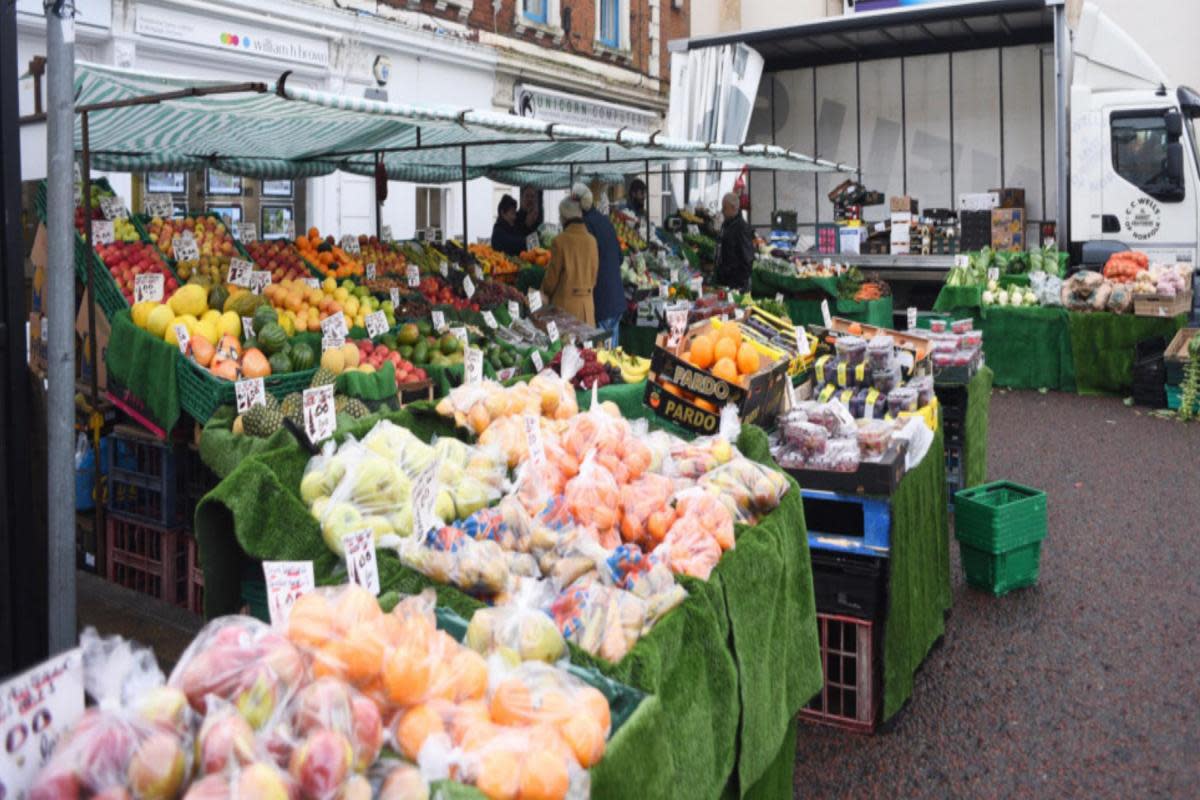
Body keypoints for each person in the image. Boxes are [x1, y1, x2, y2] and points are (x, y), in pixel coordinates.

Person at [574, 183, 624, 347]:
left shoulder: (585, 226)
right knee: (614, 356)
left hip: (600, 301)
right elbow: (620, 257)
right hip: (616, 299)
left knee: (603, 356)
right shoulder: (605, 221)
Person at [541, 196, 598, 325]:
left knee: (567, 344)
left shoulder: (559, 241)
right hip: (587, 309)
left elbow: (551, 279)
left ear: (563, 217)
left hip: (565, 309)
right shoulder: (592, 241)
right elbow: (594, 278)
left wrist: (543, 292)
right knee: (587, 345)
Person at [715, 192, 754, 292]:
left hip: (736, 283)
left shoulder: (742, 228)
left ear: (733, 208)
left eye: (724, 208)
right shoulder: (726, 224)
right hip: (725, 279)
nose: (722, 211)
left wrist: (738, 283)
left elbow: (747, 259)